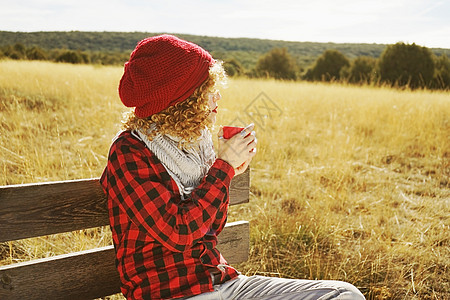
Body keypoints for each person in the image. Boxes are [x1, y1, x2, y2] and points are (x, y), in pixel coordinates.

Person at [100, 34, 365, 300]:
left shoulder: (195, 143)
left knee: (343, 294)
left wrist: (228, 170)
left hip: (225, 283)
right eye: (207, 91)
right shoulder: (129, 151)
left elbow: (211, 227)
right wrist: (223, 167)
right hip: (174, 292)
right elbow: (179, 232)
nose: (216, 100)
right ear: (182, 99)